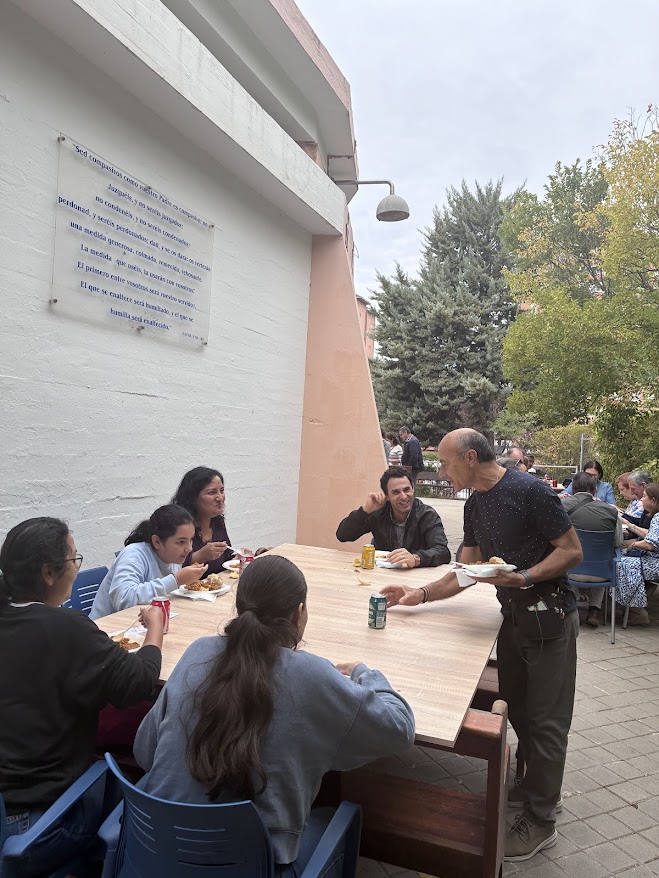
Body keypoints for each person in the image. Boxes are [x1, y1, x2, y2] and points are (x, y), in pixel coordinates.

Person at [133, 554, 415, 877]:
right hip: (256, 866)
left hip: (157, 853)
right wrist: (365, 673)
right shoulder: (312, 675)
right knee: (334, 815)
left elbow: (145, 751)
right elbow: (400, 728)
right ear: (299, 613)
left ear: (239, 607)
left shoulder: (198, 652)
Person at [380, 429, 582, 864]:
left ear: (470, 457)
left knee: (547, 722)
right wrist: (419, 595)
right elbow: (466, 569)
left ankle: (542, 820)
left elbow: (571, 551)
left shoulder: (529, 491)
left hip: (550, 619)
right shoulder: (474, 503)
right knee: (519, 710)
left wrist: (524, 577)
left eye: (445, 463)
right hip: (513, 619)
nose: (440, 472)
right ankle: (535, 787)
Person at [0, 517, 163, 877]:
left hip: (10, 806)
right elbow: (138, 682)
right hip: (37, 828)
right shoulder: (67, 629)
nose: (76, 567)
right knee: (138, 789)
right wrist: (155, 630)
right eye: (74, 559)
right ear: (48, 573)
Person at [90, 505, 206, 619]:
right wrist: (176, 580)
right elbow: (124, 599)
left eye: (191, 539)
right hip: (108, 626)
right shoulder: (134, 554)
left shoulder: (174, 557)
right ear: (156, 541)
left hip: (144, 624)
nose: (189, 548)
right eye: (181, 542)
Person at [335, 467, 450, 567]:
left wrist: (416, 558)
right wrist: (365, 510)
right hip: (380, 573)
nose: (403, 496)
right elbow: (343, 535)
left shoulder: (427, 515)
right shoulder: (378, 512)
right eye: (396, 492)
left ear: (413, 488)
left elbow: (443, 552)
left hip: (416, 577)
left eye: (407, 490)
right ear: (387, 496)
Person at [561, 471, 623, 628]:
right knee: (603, 555)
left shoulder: (560, 506)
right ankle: (594, 610)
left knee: (568, 555)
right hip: (603, 575)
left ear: (573, 489)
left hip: (569, 573)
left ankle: (572, 607)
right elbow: (618, 542)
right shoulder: (612, 511)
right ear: (595, 490)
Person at [173, 466, 234, 576]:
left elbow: (228, 557)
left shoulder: (217, 522)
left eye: (222, 491)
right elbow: (171, 569)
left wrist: (239, 556)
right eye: (212, 493)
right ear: (193, 498)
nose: (220, 498)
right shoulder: (180, 526)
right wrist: (199, 556)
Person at [616, 483, 659, 626]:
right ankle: (630, 608)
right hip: (654, 559)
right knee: (626, 559)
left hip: (655, 563)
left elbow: (650, 544)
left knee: (623, 564)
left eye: (644, 497)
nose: (641, 499)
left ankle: (636, 612)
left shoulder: (658, 517)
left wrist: (633, 545)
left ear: (653, 500)